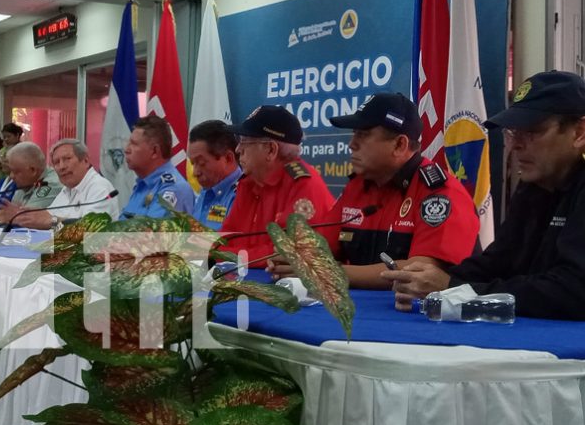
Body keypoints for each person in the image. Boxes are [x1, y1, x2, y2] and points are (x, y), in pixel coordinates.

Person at [382, 71, 585, 320]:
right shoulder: (534, 186)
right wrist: (429, 279)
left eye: (532, 131)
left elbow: (574, 291)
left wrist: (455, 288)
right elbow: (499, 260)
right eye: (513, 132)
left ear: (579, 133)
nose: (517, 145)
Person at [268, 93, 480, 287]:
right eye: (354, 134)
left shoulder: (440, 193)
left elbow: (419, 273)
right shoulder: (358, 186)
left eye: (363, 135)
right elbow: (323, 248)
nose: (351, 144)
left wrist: (326, 272)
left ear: (399, 145)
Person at [220, 105, 335, 266]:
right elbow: (224, 240)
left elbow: (285, 253)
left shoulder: (304, 185)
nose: (238, 149)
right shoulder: (248, 183)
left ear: (271, 150)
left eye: (245, 141)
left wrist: (228, 256)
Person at [14, 139, 120, 229]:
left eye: (67, 159)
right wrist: (31, 215)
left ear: (86, 160)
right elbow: (48, 216)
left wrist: (51, 221)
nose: (61, 166)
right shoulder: (67, 189)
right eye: (56, 162)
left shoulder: (99, 187)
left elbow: (89, 229)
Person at [0, 141, 62, 222]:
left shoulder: (51, 184)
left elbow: (23, 217)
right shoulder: (25, 183)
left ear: (33, 170)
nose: (11, 176)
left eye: (15, 172)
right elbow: (11, 214)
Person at [121, 115, 194, 218]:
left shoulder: (173, 189)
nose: (126, 149)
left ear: (154, 151)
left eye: (134, 144)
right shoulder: (142, 185)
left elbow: (152, 232)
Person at [188, 120, 242, 230]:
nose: (195, 172)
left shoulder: (242, 195)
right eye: (193, 163)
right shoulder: (205, 191)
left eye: (202, 163)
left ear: (228, 158)